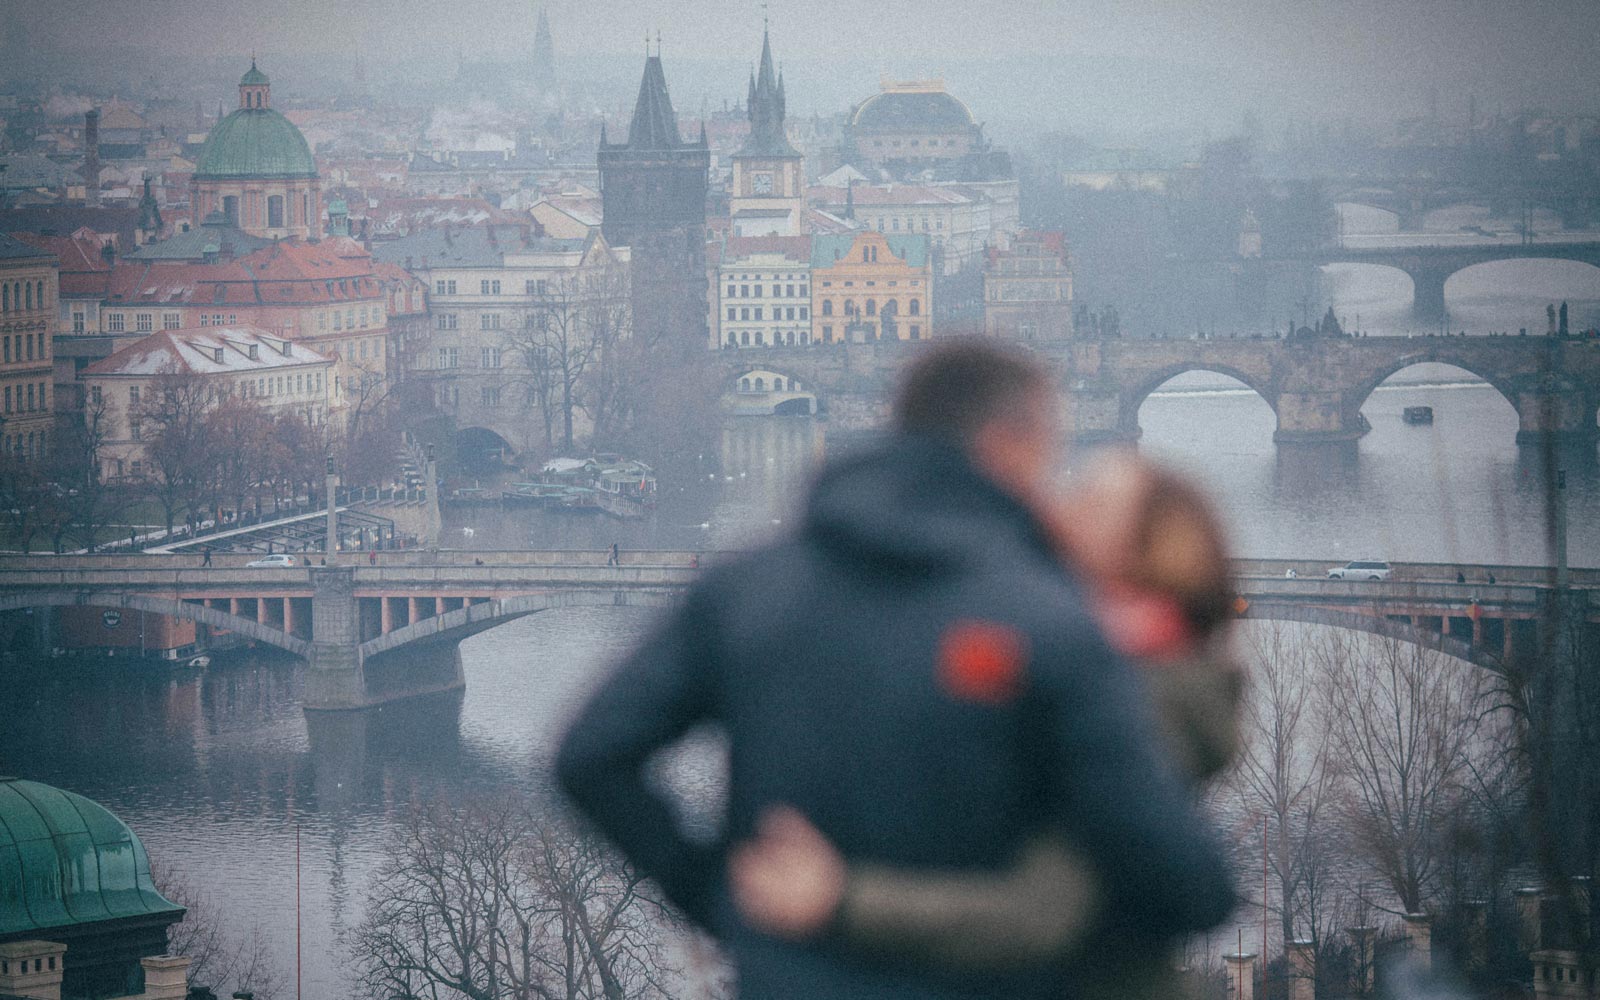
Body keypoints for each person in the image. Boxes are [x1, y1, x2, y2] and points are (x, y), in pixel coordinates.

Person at [557, 340, 1236, 999]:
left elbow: (591, 755)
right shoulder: (1050, 620)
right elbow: (1188, 884)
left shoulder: (748, 587)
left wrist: (726, 900)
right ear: (1010, 442)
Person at [728, 454, 1243, 995]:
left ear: (1141, 549)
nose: (1061, 503)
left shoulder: (1146, 692)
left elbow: (1041, 916)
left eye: (1092, 499)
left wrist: (841, 899)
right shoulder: (1092, 658)